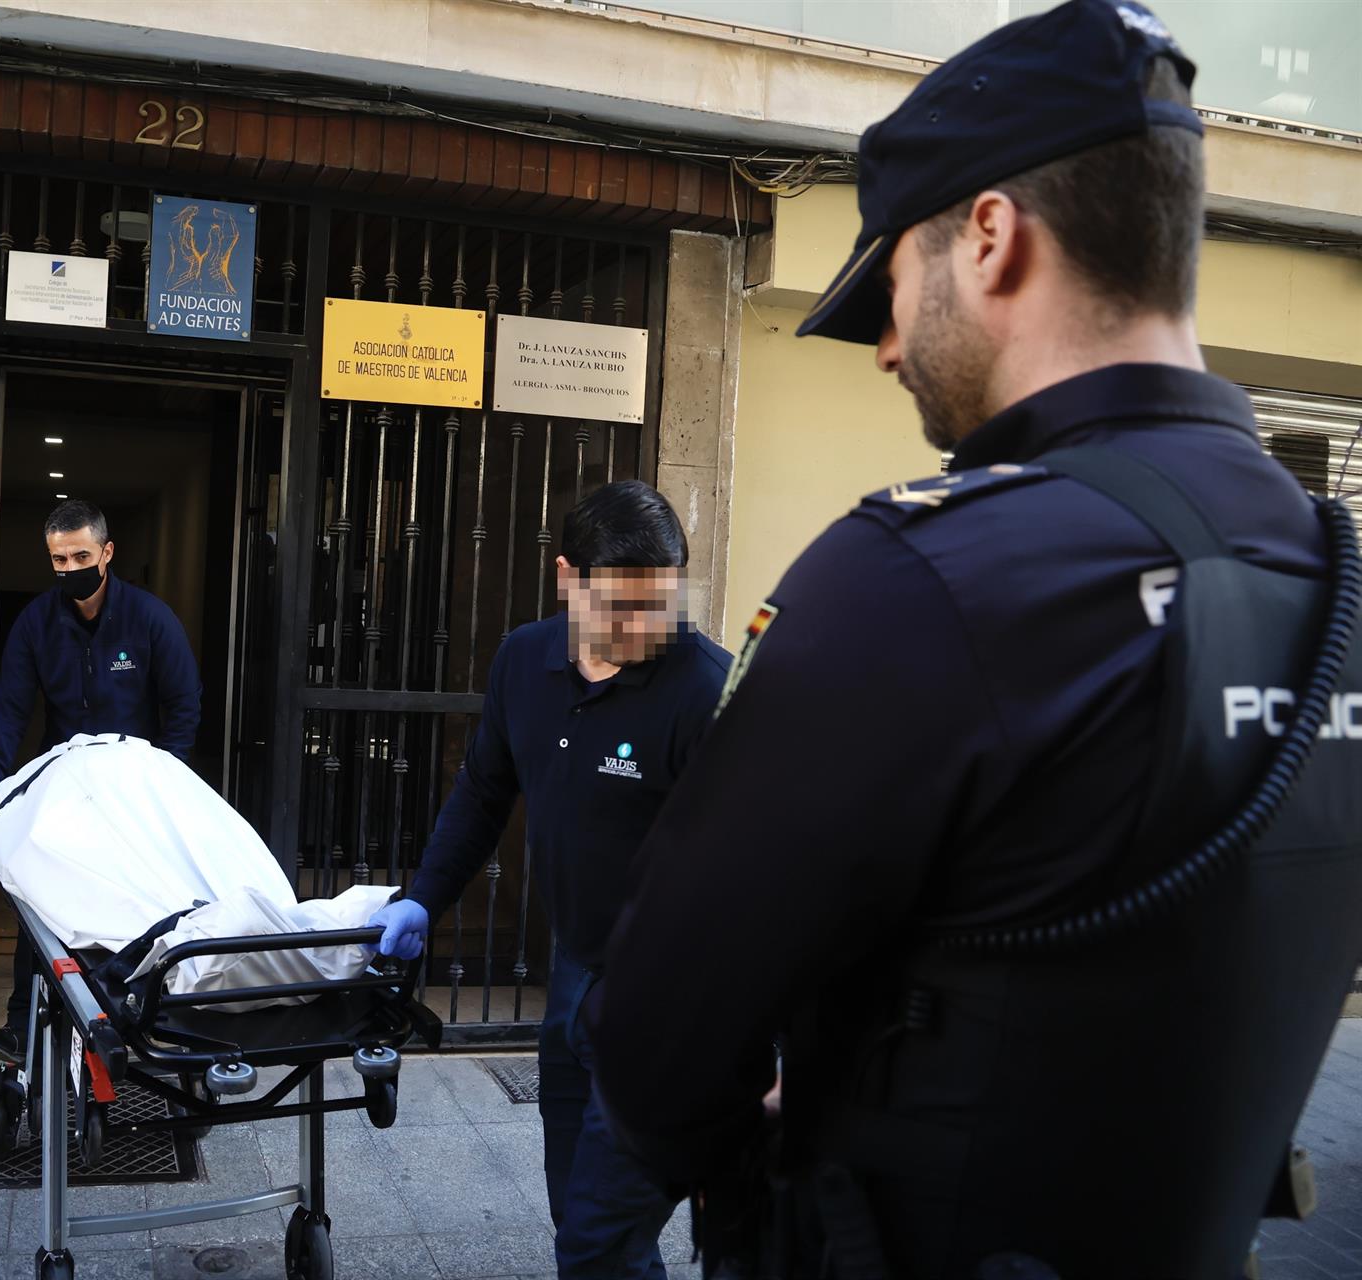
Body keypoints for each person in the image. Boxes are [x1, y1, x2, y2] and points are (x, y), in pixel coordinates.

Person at [585, 2, 1362, 1276]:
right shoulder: (1333, 577)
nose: (886, 348)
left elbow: (656, 1034)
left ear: (991, 237)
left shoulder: (920, 574)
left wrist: (760, 1152)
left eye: (892, 288)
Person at [368, 480, 732, 1280]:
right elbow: (483, 792)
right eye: (621, 607)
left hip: (670, 1000)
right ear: (567, 578)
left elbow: (765, 875)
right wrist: (425, 898)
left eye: (660, 606)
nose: (645, 629)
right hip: (575, 977)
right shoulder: (523, 661)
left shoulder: (706, 692)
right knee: (582, 1220)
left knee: (601, 1240)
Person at [0, 498, 201, 1062]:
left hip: (134, 786)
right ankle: (24, 1027)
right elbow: (10, 712)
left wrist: (170, 778)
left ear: (107, 553)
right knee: (39, 898)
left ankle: (141, 1019)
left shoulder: (149, 618)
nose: (70, 568)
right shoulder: (36, 623)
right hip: (65, 783)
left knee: (141, 903)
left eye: (81, 556)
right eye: (58, 559)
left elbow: (183, 703)